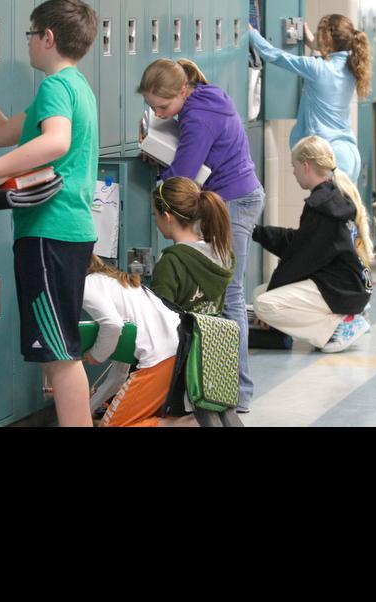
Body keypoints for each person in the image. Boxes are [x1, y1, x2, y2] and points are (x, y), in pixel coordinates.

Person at [0, 0, 99, 426]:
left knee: (60, 356)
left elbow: (55, 142)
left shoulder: (55, 87)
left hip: (50, 231)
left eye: (30, 34)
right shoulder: (76, 86)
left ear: (47, 38)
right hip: (66, 232)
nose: (28, 43)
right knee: (60, 352)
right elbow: (1, 132)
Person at [137, 57, 263, 413]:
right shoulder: (206, 96)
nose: (159, 114)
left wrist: (159, 181)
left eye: (163, 107)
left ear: (182, 91)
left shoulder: (197, 117)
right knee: (228, 294)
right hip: (235, 196)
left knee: (231, 294)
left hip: (234, 201)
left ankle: (237, 392)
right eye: (152, 108)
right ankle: (224, 388)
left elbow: (183, 176)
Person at [251, 136, 374, 353]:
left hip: (343, 291)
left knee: (264, 304)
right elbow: (301, 242)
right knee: (260, 293)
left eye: (294, 167)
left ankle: (340, 326)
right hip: (352, 287)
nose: (293, 173)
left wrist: (270, 306)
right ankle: (341, 318)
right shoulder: (335, 196)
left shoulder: (321, 206)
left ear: (306, 166)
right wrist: (256, 232)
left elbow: (300, 260)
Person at [245, 15, 372, 185]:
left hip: (329, 154)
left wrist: (251, 32)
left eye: (319, 34)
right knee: (347, 202)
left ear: (326, 39)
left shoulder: (317, 68)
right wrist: (313, 43)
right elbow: (328, 59)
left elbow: (273, 55)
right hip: (349, 154)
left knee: (326, 202)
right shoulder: (351, 68)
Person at [82, 256, 181, 427]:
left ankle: (186, 423)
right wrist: (84, 412)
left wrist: (96, 355)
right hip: (178, 352)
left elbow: (112, 325)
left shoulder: (88, 284)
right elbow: (118, 376)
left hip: (160, 359)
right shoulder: (116, 284)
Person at [149, 177, 234, 318]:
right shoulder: (220, 253)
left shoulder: (171, 261)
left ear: (167, 217)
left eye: (155, 214)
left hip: (179, 333)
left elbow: (159, 319)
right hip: (209, 332)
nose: (155, 219)